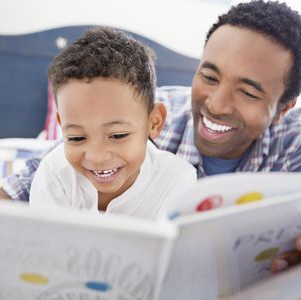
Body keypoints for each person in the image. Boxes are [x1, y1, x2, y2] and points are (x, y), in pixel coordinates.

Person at [0, 1, 301, 272]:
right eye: (208, 76)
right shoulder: (141, 115)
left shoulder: (296, 136)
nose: (216, 104)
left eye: (249, 91)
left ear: (283, 107)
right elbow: (26, 182)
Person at [28, 27, 197, 219]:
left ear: (154, 122)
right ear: (61, 126)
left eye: (118, 135)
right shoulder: (54, 174)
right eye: (76, 138)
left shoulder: (177, 182)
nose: (97, 157)